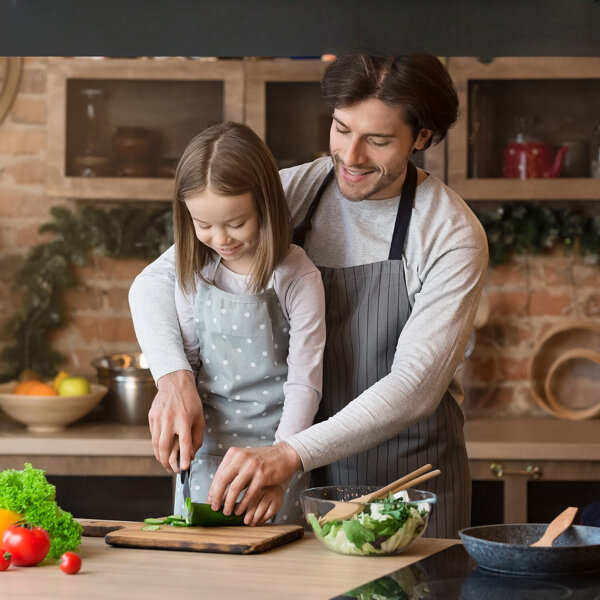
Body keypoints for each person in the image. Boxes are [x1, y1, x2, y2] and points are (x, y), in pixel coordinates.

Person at [129, 52, 489, 538]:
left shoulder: (449, 233)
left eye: (377, 140)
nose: (351, 156)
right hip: (298, 482)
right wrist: (173, 376)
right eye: (341, 129)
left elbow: (415, 387)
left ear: (422, 137)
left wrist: (288, 454)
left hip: (399, 482)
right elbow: (156, 280)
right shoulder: (292, 191)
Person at [130, 122, 326, 526]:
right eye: (203, 225)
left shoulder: (297, 276)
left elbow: (305, 382)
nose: (220, 238)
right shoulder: (193, 272)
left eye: (236, 222)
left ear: (267, 205)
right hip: (207, 458)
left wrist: (282, 463)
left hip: (277, 454)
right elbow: (190, 360)